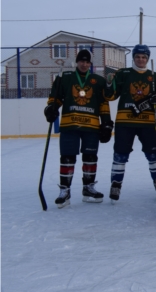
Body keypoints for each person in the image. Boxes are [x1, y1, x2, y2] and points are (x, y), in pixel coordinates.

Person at [44, 49, 112, 208]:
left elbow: (103, 104)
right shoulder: (65, 78)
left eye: (87, 62)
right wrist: (50, 109)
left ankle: (88, 188)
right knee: (67, 157)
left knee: (90, 157)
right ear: (77, 62)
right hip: (70, 125)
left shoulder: (98, 81)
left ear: (90, 64)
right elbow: (56, 99)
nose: (84, 64)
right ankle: (65, 190)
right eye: (82, 61)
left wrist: (107, 123)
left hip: (91, 126)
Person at [104, 44, 156, 202]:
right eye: (138, 56)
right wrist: (109, 84)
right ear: (133, 57)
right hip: (125, 121)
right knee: (120, 154)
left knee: (153, 154)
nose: (141, 59)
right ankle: (116, 185)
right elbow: (111, 97)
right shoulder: (122, 73)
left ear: (148, 59)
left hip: (148, 122)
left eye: (144, 57)